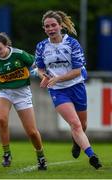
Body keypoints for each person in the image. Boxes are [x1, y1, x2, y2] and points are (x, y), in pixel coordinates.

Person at [35, 10, 102, 169]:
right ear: (44, 29)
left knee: (82, 124)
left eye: (53, 25)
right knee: (75, 124)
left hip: (76, 86)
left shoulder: (72, 43)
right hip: (58, 91)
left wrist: (57, 77)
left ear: (60, 26)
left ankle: (76, 142)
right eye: (47, 26)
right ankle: (92, 155)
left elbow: (78, 71)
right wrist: (43, 76)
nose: (50, 29)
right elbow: (39, 68)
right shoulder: (41, 46)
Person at [0, 32, 47, 170]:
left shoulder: (20, 54)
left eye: (0, 48)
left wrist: (37, 73)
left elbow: (36, 66)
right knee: (1, 120)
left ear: (7, 45)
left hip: (22, 93)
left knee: (32, 132)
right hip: (3, 92)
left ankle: (40, 156)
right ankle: (6, 154)